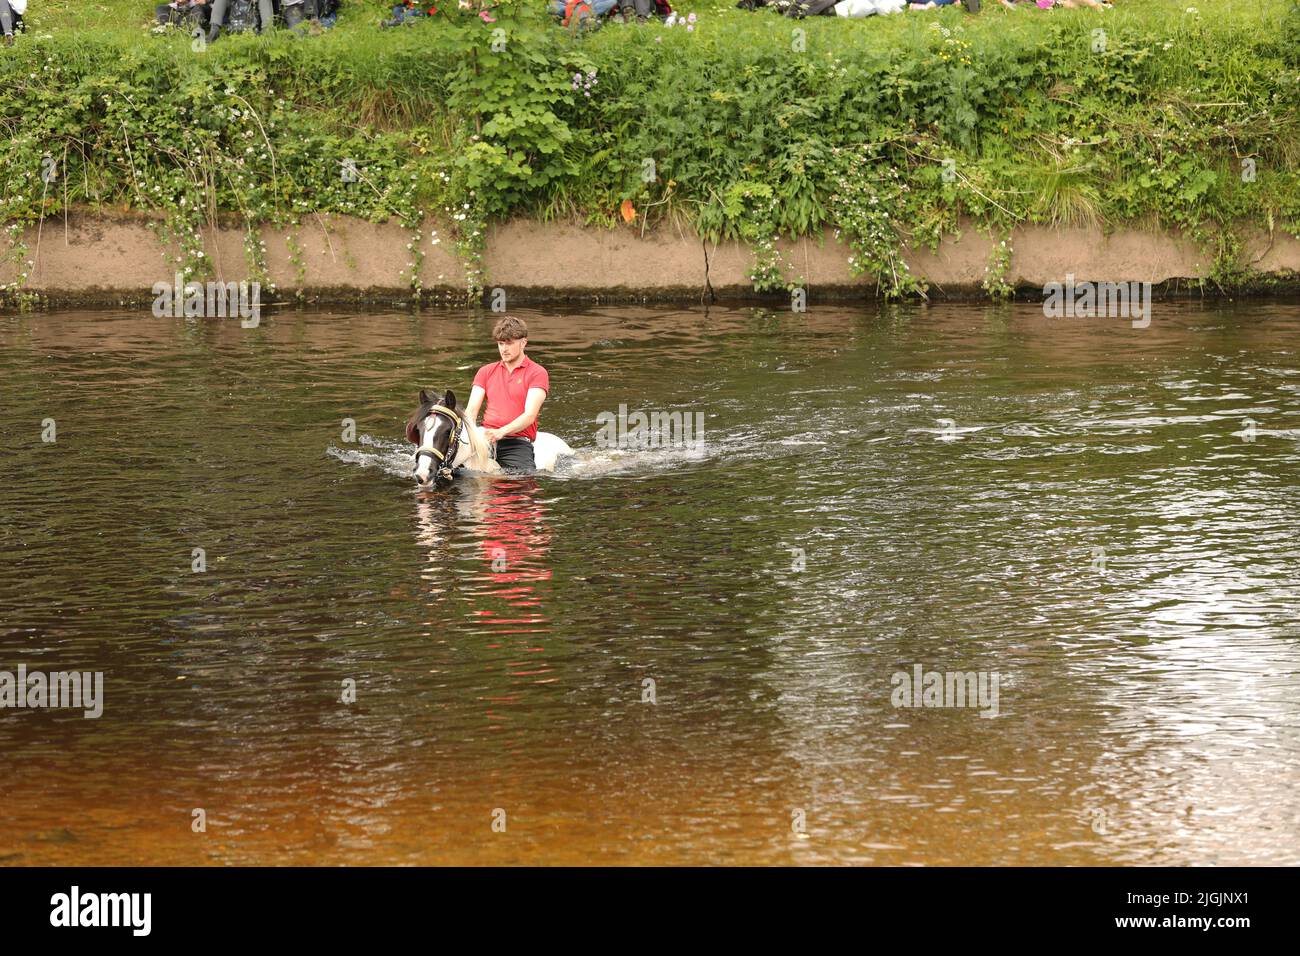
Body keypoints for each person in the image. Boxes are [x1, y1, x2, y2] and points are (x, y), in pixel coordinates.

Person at [463, 316, 550, 474]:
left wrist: (501, 432)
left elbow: (529, 415)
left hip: (516, 442)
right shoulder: (486, 371)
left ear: (523, 342)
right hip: (485, 440)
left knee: (522, 480)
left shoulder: (537, 373)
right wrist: (469, 438)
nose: (504, 349)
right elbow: (471, 412)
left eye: (509, 343)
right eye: (500, 343)